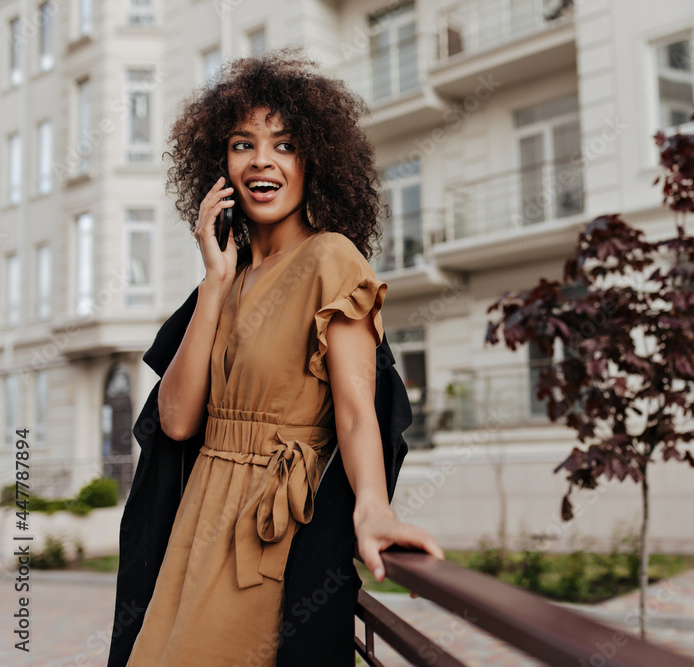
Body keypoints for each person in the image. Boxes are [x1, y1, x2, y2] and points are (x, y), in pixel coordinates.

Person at [125, 49, 442, 665]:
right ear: (219, 168)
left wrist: (374, 510)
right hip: (196, 525)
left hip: (269, 535)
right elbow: (177, 421)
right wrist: (214, 282)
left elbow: (356, 412)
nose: (261, 160)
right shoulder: (227, 278)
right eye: (242, 144)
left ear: (313, 161)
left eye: (285, 144)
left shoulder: (332, 259)